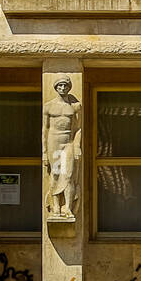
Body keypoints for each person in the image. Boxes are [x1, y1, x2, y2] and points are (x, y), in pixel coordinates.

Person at [42, 78, 81, 219]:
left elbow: (78, 128)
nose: (63, 88)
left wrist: (77, 145)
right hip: (54, 143)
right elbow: (45, 129)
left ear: (69, 87)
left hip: (68, 143)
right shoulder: (48, 106)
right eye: (60, 85)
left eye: (65, 85)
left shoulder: (75, 106)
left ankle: (68, 208)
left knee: (69, 174)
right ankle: (56, 207)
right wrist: (44, 152)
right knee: (56, 173)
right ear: (56, 87)